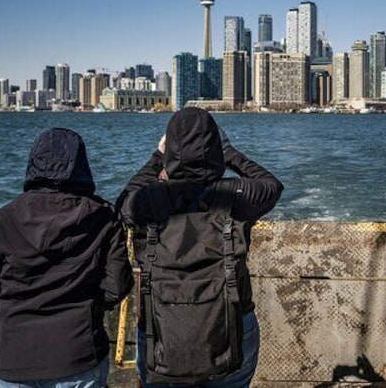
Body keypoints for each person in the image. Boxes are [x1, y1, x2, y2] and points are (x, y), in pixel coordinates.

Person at [117, 107, 283, 388]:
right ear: (215, 149)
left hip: (162, 330)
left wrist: (158, 157)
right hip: (230, 327)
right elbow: (271, 185)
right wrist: (229, 152)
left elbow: (123, 202)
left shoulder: (147, 200)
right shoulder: (234, 195)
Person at [0, 128, 134, 388]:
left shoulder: (4, 218)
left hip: (12, 355)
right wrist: (89, 309)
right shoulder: (103, 216)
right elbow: (118, 284)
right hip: (78, 354)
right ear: (81, 164)